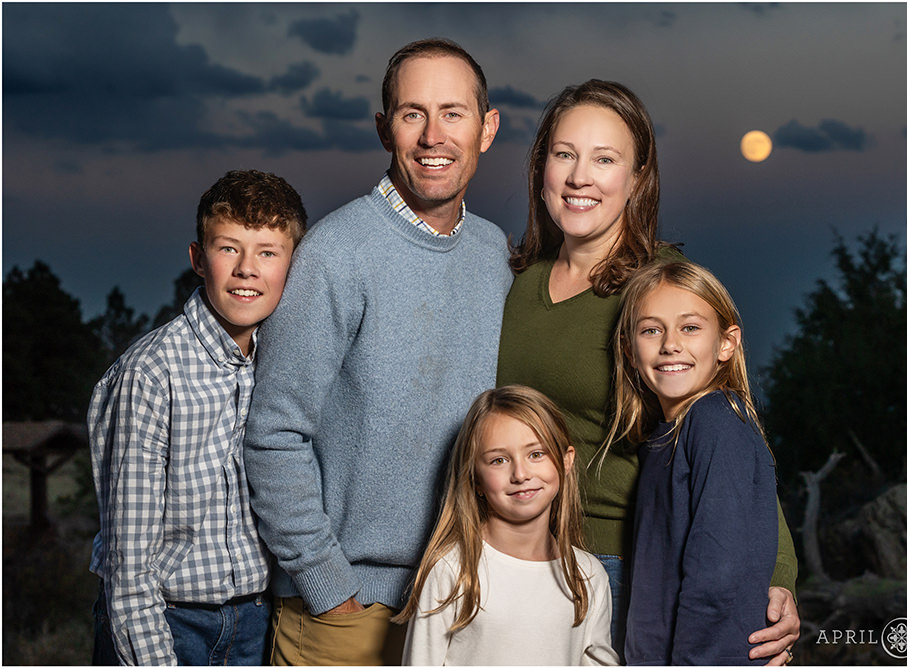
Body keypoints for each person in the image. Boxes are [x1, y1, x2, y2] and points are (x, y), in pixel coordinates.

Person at [495, 79, 800, 663]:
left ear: (636, 180)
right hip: (527, 559)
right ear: (540, 169)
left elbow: (727, 430)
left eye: (605, 159)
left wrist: (778, 572)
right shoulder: (517, 285)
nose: (581, 176)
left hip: (626, 567)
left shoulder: (660, 285)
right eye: (565, 155)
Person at [242, 39, 511, 666]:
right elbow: (273, 434)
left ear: (487, 128)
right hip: (348, 610)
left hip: (460, 601)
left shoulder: (495, 254)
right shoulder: (336, 254)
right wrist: (329, 588)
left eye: (454, 112)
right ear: (384, 129)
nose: (433, 136)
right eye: (412, 113)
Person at [88, 169, 307, 665]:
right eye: (229, 248)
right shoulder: (151, 374)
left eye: (268, 252)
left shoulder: (283, 362)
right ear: (197, 259)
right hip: (163, 619)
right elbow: (129, 568)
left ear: (294, 266)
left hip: (254, 618)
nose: (247, 269)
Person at [604, 259, 778, 664]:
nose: (670, 344)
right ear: (629, 350)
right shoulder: (663, 438)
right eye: (651, 330)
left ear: (726, 343)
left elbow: (716, 577)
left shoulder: (715, 421)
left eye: (691, 327)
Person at [396, 385, 618, 666]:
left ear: (565, 461)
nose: (521, 474)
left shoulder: (588, 576)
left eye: (536, 454)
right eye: (499, 460)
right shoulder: (452, 569)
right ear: (475, 479)